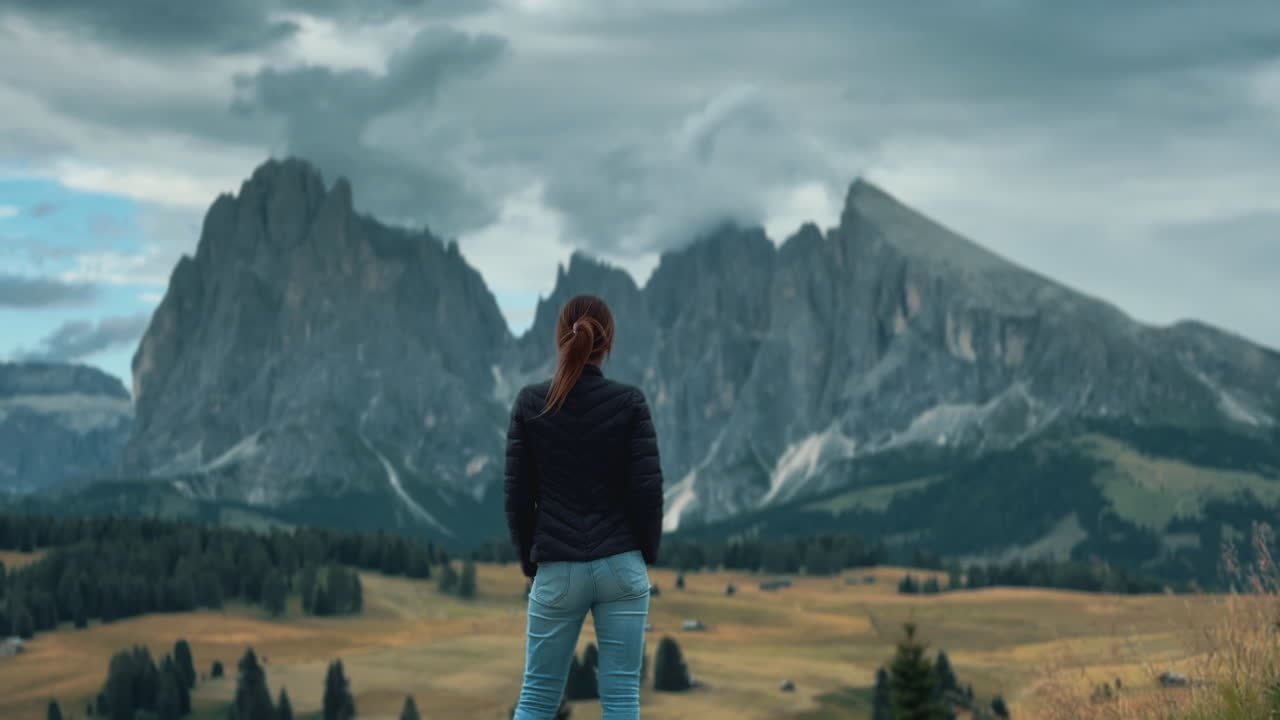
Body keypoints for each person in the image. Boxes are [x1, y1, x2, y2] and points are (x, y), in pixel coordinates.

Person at [505, 293, 665, 720]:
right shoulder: (630, 403)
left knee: (537, 699)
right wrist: (644, 554)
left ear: (561, 337)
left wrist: (530, 562)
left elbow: (518, 497)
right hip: (622, 565)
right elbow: (647, 491)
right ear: (607, 341)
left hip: (557, 566)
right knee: (621, 698)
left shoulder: (529, 402)